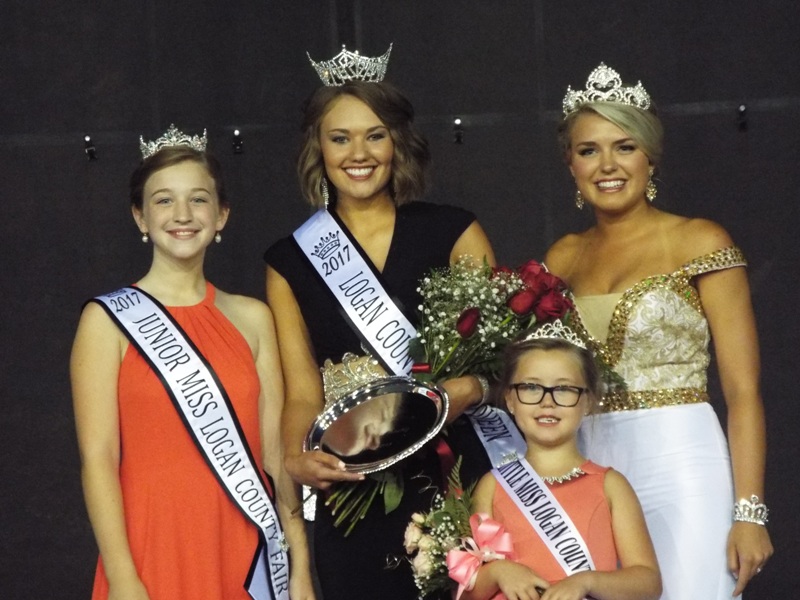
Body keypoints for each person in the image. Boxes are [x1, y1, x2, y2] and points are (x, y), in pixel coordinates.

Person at [264, 46, 495, 600]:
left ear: (398, 143)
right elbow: (303, 391)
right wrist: (297, 456)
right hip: (353, 487)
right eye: (340, 138)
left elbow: (506, 358)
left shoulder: (454, 231)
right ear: (318, 148)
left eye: (375, 135)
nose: (358, 154)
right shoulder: (289, 260)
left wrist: (470, 389)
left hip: (455, 472)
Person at [544, 63, 773, 599]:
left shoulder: (699, 240)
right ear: (571, 164)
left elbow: (742, 391)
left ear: (649, 156)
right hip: (585, 460)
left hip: (683, 463)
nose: (607, 165)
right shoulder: (562, 257)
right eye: (589, 150)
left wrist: (749, 512)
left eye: (624, 147)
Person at [71, 127, 314, 600]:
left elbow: (274, 457)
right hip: (150, 550)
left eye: (198, 200)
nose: (182, 214)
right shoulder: (107, 321)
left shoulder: (253, 318)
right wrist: (122, 577)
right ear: (140, 216)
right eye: (163, 200)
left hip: (244, 548)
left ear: (221, 215)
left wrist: (299, 565)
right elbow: (98, 459)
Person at [466, 326, 661, 600]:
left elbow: (648, 583)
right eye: (531, 387)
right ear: (510, 399)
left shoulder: (611, 486)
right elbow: (466, 593)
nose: (547, 402)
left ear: (588, 401)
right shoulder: (492, 486)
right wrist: (498, 572)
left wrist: (587, 581)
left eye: (564, 389)